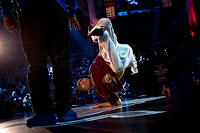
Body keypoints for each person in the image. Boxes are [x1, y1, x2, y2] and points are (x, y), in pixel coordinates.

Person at [0, 0, 81, 127]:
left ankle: (44, 113)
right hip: (55, 6)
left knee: (36, 62)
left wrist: (7, 13)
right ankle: (64, 110)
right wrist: (72, 11)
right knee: (60, 60)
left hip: (29, 8)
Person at [77, 18, 138, 109]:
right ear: (88, 90)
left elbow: (100, 54)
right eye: (81, 85)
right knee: (117, 67)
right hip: (120, 61)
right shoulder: (101, 90)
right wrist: (99, 106)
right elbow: (117, 103)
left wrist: (100, 41)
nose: (82, 82)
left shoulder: (91, 70)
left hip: (111, 54)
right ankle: (97, 35)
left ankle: (98, 33)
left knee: (106, 22)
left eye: (81, 81)